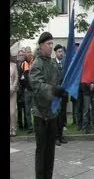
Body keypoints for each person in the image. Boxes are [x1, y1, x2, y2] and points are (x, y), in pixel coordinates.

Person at [29, 32, 66, 179]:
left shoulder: (52, 63)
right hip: (40, 114)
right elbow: (37, 86)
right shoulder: (36, 64)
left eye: (52, 43)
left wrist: (62, 90)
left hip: (52, 113)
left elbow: (58, 81)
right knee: (42, 151)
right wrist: (54, 90)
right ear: (41, 45)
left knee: (51, 151)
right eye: (48, 44)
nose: (51, 47)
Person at [52, 44, 68, 146]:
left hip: (64, 93)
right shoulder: (52, 63)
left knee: (62, 115)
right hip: (56, 93)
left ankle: (61, 135)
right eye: (59, 52)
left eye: (62, 52)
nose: (61, 53)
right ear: (55, 53)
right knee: (56, 116)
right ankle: (55, 137)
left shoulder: (65, 63)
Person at [10, 54, 19, 137]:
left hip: (12, 91)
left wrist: (13, 88)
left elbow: (16, 77)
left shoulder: (14, 65)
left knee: (12, 112)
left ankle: (13, 129)